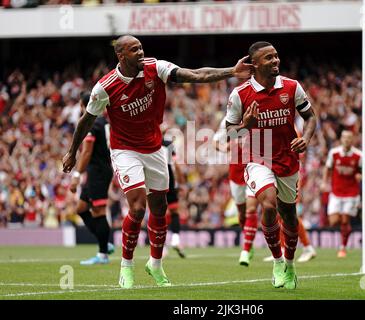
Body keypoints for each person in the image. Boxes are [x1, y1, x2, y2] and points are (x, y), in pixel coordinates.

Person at [62, 35, 252, 288]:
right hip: (125, 150)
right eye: (134, 49)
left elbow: (195, 74)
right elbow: (86, 120)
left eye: (141, 47)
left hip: (154, 148)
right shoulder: (105, 87)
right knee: (138, 207)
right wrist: (72, 152)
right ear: (121, 56)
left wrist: (231, 71)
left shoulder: (156, 68)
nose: (141, 52)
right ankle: (126, 266)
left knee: (160, 208)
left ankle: (156, 264)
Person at [225, 41, 317, 290]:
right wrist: (245, 124)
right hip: (258, 157)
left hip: (288, 158)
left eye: (276, 56)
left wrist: (305, 139)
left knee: (289, 215)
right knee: (267, 204)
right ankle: (277, 261)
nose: (276, 60)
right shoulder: (240, 94)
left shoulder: (291, 86)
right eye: (269, 58)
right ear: (255, 64)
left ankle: (289, 264)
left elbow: (310, 117)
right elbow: (229, 134)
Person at [69, 91, 114, 265]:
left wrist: (77, 175)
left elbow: (87, 151)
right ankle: (105, 243)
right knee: (81, 208)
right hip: (99, 171)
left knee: (99, 211)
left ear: (84, 105)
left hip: (99, 172)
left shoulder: (92, 123)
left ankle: (103, 254)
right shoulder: (104, 122)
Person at [213, 117, 259, 267]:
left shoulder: (258, 114)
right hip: (235, 172)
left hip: (255, 167)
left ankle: (245, 249)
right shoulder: (228, 120)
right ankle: (249, 243)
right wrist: (224, 147)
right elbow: (215, 142)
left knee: (252, 209)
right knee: (242, 212)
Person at [322, 130, 362, 258]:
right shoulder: (334, 153)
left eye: (349, 138)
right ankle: (344, 234)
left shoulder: (358, 155)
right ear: (341, 139)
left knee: (345, 220)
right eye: (344, 137)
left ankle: (342, 247)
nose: (347, 140)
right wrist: (324, 182)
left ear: (353, 140)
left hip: (351, 193)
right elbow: (327, 168)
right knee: (333, 221)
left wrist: (360, 176)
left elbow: (362, 171)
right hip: (336, 192)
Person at [162, 133, 186, 258]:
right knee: (174, 211)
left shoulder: (147, 142)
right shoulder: (168, 144)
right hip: (169, 178)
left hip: (154, 178)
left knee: (159, 213)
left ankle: (162, 246)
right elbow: (176, 165)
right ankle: (175, 240)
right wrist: (182, 183)